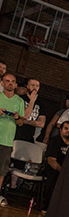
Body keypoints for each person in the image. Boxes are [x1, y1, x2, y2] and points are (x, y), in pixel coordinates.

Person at [0, 73, 25, 206]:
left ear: (15, 85)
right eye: (7, 81)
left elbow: (21, 123)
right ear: (2, 83)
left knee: (1, 170)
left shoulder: (19, 101)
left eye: (13, 81)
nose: (10, 83)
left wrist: (16, 118)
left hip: (6, 141)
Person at [42, 120, 69, 211]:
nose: (68, 131)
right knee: (54, 178)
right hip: (55, 169)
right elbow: (51, 160)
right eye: (66, 128)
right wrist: (62, 171)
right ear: (60, 130)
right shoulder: (55, 141)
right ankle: (48, 206)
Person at [14, 78, 44, 142]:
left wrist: (24, 121)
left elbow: (41, 123)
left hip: (29, 136)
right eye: (32, 85)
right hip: (16, 133)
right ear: (27, 86)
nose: (35, 88)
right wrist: (32, 101)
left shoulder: (40, 103)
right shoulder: (20, 99)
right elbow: (25, 115)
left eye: (37, 86)